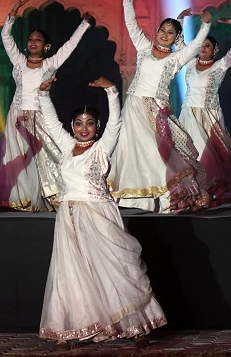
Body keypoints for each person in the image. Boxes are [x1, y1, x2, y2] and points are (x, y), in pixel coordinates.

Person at [34, 76, 166, 349]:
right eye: (79, 124)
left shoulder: (103, 148)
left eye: (90, 123)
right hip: (69, 217)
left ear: (97, 127)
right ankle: (73, 327)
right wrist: (44, 95)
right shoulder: (67, 147)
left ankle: (134, 325)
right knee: (72, 272)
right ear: (73, 127)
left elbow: (116, 122)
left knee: (115, 268)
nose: (84, 128)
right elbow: (49, 121)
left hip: (99, 215)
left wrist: (111, 92)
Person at [108, 0, 212, 213]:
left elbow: (194, 47)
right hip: (134, 105)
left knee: (155, 152)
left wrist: (205, 26)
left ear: (176, 38)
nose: (165, 34)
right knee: (129, 150)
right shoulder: (144, 49)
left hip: (156, 110)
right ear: (156, 33)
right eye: (162, 30)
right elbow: (131, 24)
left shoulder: (176, 58)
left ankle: (165, 197)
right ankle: (134, 198)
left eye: (171, 32)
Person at [0, 0, 92, 211]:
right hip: (18, 116)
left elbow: (70, 46)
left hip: (41, 115)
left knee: (50, 153)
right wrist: (13, 12)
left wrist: (84, 25)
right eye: (30, 39)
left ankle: (54, 194)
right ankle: (24, 197)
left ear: (46, 46)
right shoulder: (18, 61)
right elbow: (6, 37)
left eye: (37, 40)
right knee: (19, 157)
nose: (33, 42)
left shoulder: (51, 62)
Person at [178, 20, 231, 207]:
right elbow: (179, 44)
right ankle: (193, 195)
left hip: (209, 116)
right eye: (201, 45)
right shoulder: (191, 63)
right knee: (187, 156)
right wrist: (179, 21)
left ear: (214, 50)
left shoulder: (220, 66)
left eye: (207, 45)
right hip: (188, 115)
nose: (203, 48)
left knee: (212, 156)